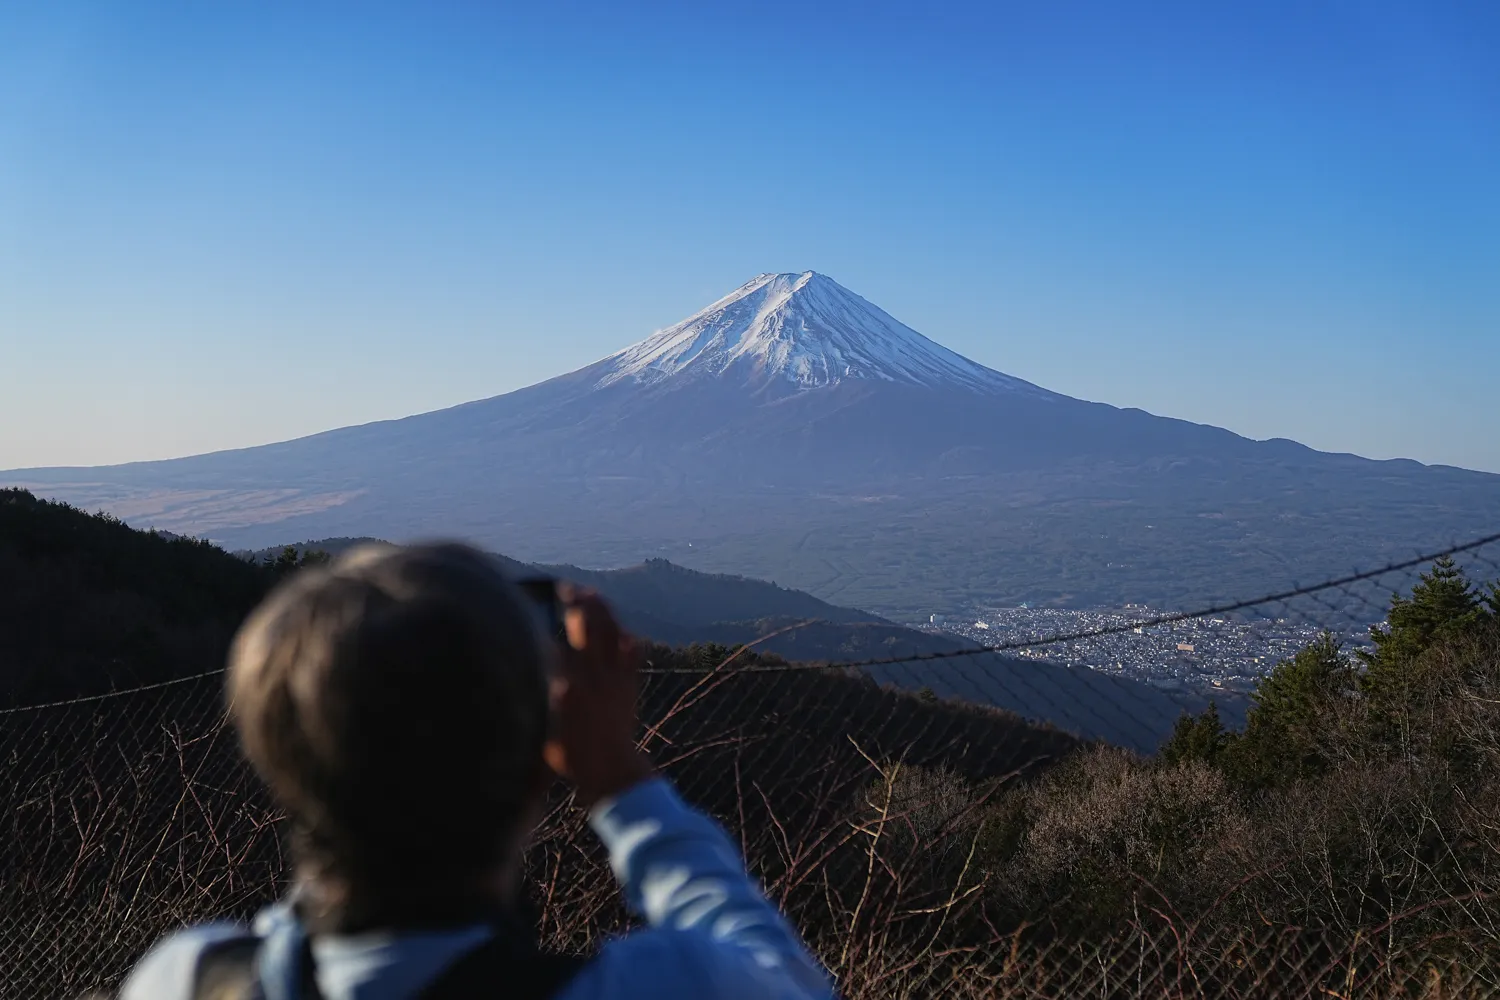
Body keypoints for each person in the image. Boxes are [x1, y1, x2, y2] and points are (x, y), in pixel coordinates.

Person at [120, 542, 834, 1000]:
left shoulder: (185, 977)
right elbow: (785, 981)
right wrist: (620, 778)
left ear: (275, 761)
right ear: (538, 769)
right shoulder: (660, 988)